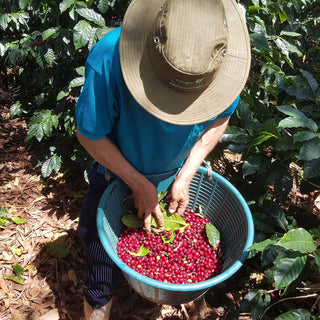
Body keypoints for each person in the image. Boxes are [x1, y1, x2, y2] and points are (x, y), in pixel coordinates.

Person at [75, 0, 251, 318]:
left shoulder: (223, 63)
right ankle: (98, 304)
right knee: (102, 257)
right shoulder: (111, 57)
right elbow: (90, 134)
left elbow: (219, 119)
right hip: (115, 176)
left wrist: (184, 176)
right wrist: (138, 183)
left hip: (174, 173)